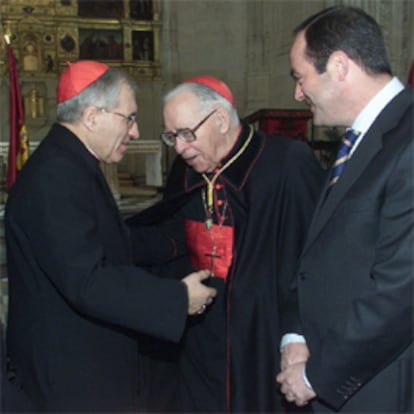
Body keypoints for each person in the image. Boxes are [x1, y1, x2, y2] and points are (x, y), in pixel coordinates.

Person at [5, 60, 216, 413]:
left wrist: (175, 242)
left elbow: (106, 242)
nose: (134, 132)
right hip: (70, 375)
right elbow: (87, 280)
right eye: (129, 117)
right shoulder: (56, 177)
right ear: (91, 117)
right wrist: (177, 299)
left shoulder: (70, 163)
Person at [129, 75, 324, 413]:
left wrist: (298, 334)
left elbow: (312, 259)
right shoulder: (187, 167)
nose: (179, 147)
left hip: (260, 333)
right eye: (171, 137)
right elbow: (174, 234)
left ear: (220, 119)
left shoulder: (287, 163)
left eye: (187, 134)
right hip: (201, 336)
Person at [276, 6, 413, 413]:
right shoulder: (361, 136)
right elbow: (318, 255)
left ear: (339, 65)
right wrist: (295, 336)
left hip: (379, 387)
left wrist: (319, 375)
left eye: (300, 78)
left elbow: (401, 292)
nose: (297, 94)